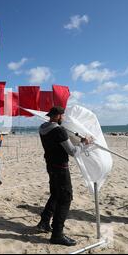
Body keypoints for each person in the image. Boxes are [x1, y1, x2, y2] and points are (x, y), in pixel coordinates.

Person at [36, 106, 91, 247]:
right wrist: (84, 143)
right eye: (63, 116)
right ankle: (57, 234)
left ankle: (44, 222)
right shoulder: (59, 130)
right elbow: (72, 151)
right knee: (66, 198)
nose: (64, 118)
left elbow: (58, 142)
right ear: (59, 116)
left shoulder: (42, 127)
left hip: (50, 166)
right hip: (60, 168)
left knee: (55, 194)